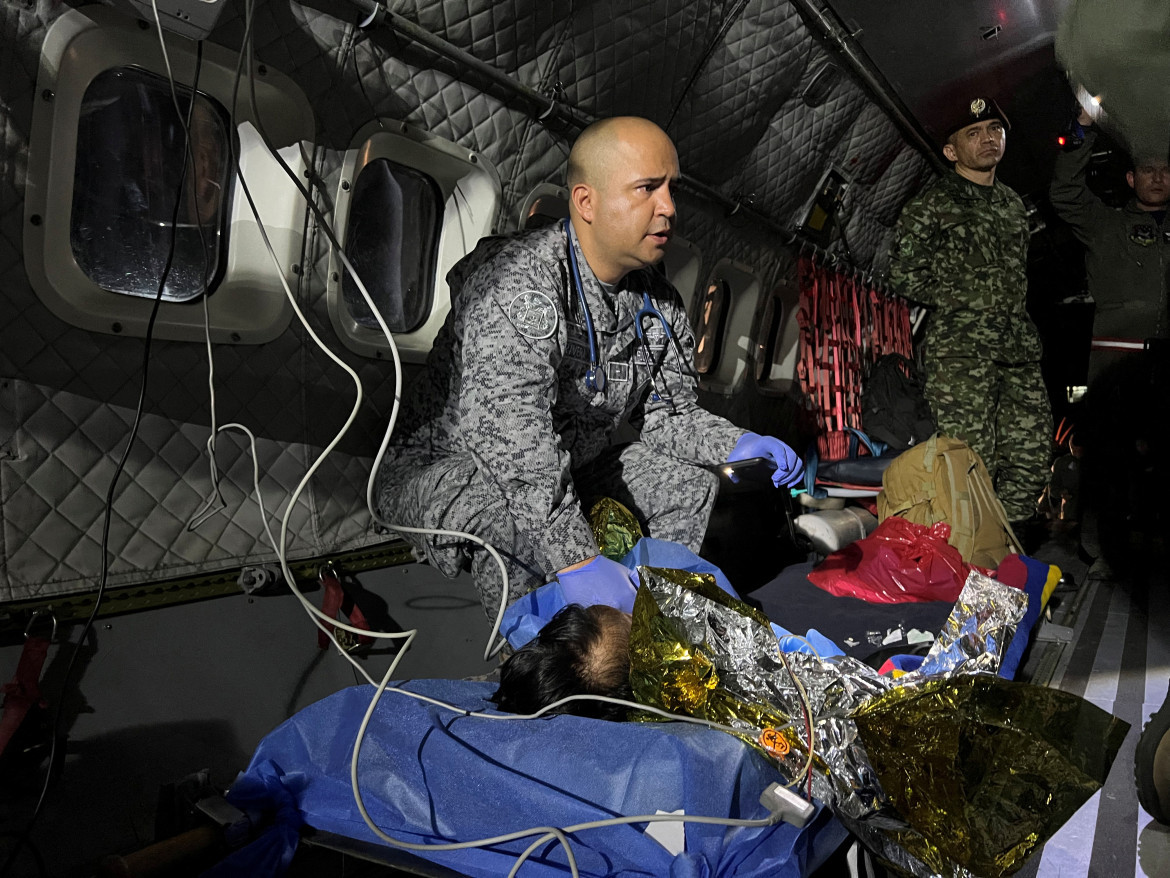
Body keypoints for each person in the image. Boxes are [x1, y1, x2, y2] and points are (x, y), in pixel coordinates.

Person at [376, 117, 803, 620]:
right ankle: (541, 667)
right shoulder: (521, 279)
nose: (668, 207)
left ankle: (644, 628)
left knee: (687, 486)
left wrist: (737, 444)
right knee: (513, 514)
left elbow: (668, 417)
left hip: (566, 465)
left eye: (671, 190)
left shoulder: (657, 304)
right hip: (447, 468)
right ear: (586, 202)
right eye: (648, 188)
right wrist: (576, 558)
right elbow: (510, 436)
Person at [887, 98, 1051, 524]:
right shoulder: (931, 206)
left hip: (1017, 350)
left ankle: (1004, 551)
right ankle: (973, 567)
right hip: (960, 356)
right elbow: (904, 275)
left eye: (995, 129)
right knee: (972, 463)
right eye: (974, 133)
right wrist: (962, 298)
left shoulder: (1013, 204)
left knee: (1031, 457)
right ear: (951, 151)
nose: (988, 139)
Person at [1049, 106, 1170, 382]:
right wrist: (1084, 126)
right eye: (1148, 170)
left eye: (1165, 171)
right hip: (1118, 367)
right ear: (1131, 178)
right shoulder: (1105, 226)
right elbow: (1066, 193)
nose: (1157, 178)